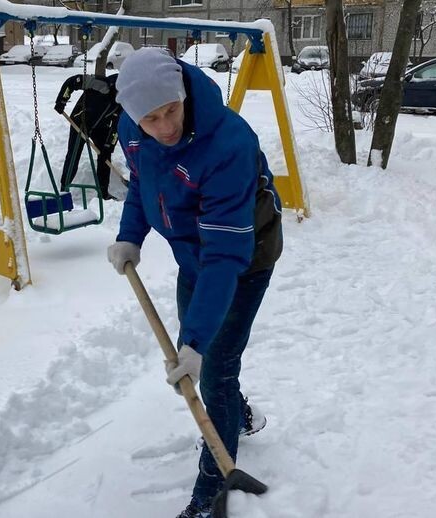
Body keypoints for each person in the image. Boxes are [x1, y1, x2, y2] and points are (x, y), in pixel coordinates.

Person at [106, 48, 283, 518]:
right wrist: (130, 237)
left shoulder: (229, 144)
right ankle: (238, 415)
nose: (164, 127)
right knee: (203, 355)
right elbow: (145, 185)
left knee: (213, 363)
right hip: (193, 254)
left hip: (244, 258)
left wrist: (198, 344)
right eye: (150, 118)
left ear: (183, 94)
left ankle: (210, 492)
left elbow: (225, 255)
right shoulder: (133, 129)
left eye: (171, 110)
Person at [54, 71, 122, 200]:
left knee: (105, 157)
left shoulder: (123, 102)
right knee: (74, 155)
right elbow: (73, 81)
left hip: (101, 127)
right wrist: (62, 100)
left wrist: (109, 146)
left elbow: (116, 128)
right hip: (80, 121)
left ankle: (103, 192)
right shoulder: (100, 83)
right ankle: (64, 189)